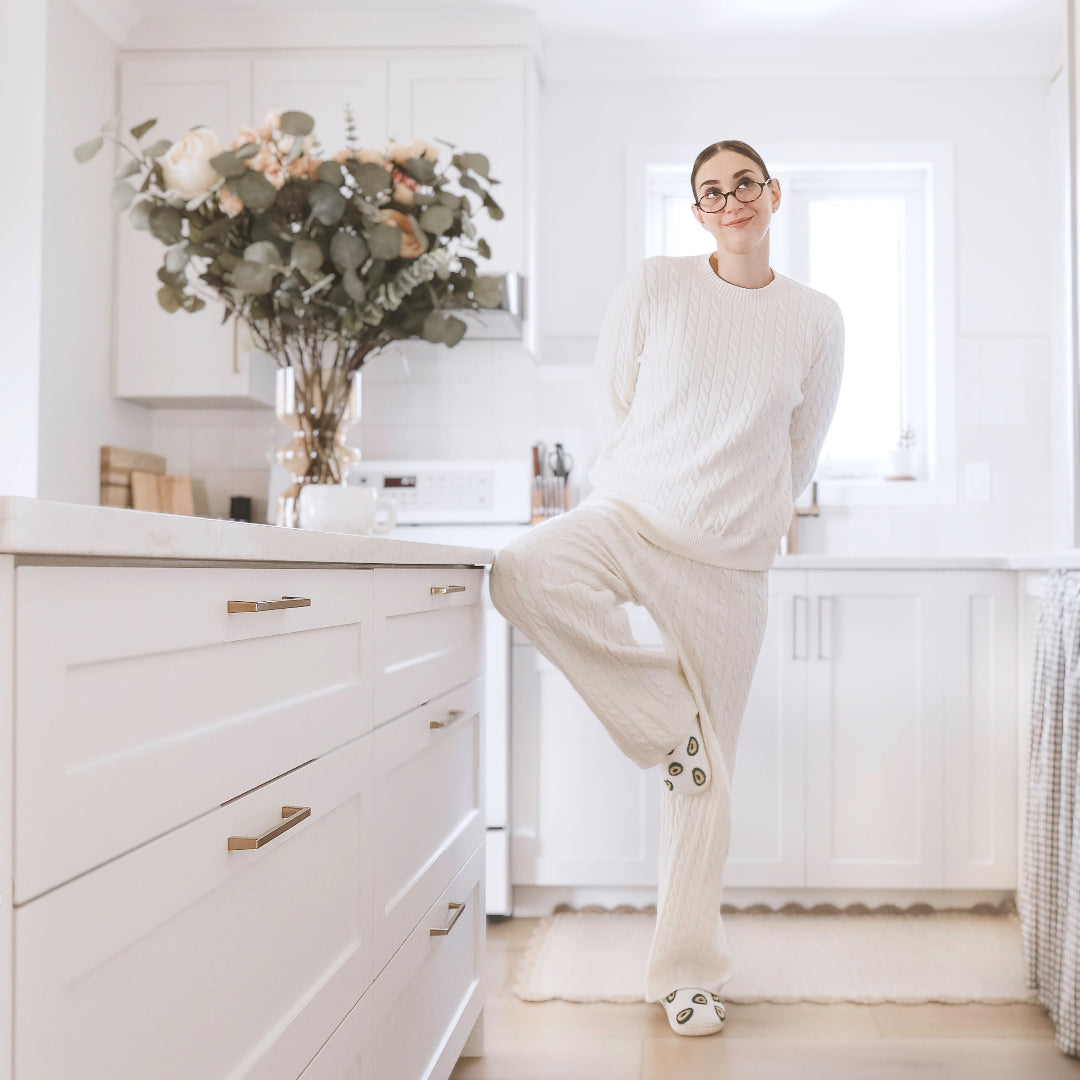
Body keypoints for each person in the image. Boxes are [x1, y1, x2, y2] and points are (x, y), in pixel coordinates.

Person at [488, 139, 846, 1037]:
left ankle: (688, 974)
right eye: (710, 192)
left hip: (728, 564)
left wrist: (748, 519)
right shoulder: (655, 285)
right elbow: (616, 405)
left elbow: (803, 445)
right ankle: (666, 727)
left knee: (702, 790)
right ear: (696, 212)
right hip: (634, 518)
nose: (731, 202)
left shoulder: (816, 317)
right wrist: (659, 481)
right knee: (523, 568)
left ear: (774, 195)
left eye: (745, 186)